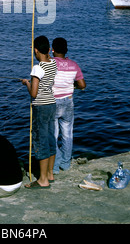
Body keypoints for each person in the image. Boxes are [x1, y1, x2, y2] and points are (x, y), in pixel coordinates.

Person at [21, 35, 57, 189]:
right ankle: (50, 173)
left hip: (41, 106)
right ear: (48, 49)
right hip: (51, 104)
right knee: (50, 138)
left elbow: (34, 93)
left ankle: (42, 180)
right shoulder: (53, 63)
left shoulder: (37, 68)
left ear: (36, 50)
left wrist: (27, 84)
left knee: (41, 140)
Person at [51, 37, 86, 174]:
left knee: (52, 135)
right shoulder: (74, 65)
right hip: (68, 102)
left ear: (52, 49)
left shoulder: (49, 64)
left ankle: (54, 166)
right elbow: (82, 85)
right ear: (66, 50)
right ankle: (65, 164)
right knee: (67, 135)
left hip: (53, 102)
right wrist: (72, 85)